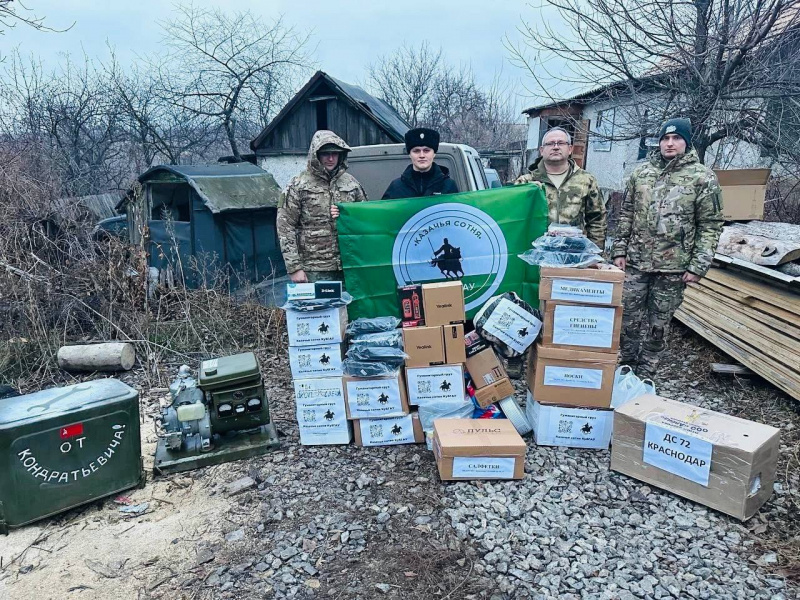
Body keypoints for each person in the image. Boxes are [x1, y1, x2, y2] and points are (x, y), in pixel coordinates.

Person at [611, 118, 723, 379]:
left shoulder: (702, 177)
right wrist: (619, 250)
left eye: (676, 138)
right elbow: (626, 213)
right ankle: (626, 366)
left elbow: (710, 224)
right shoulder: (641, 174)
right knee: (626, 319)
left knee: (658, 324)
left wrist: (699, 265)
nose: (670, 143)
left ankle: (647, 372)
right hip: (636, 262)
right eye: (665, 139)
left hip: (674, 267)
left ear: (686, 142)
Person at [277, 130, 367, 284]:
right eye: (325, 154)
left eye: (335, 153)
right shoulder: (298, 184)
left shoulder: (351, 184)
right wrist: (294, 268)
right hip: (314, 269)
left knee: (350, 308)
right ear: (315, 154)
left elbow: (365, 219)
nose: (331, 158)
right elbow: (285, 226)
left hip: (349, 264)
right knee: (319, 308)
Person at [514, 126, 607, 249]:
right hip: (536, 253)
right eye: (550, 143)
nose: (556, 147)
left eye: (561, 143)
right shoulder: (527, 182)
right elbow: (514, 218)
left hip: (574, 253)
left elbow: (597, 220)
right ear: (542, 150)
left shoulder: (586, 180)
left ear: (570, 149)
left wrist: (594, 254)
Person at [382, 128, 459, 199]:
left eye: (426, 151)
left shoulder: (448, 186)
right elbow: (384, 213)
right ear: (409, 154)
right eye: (416, 151)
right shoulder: (396, 187)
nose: (422, 155)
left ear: (434, 153)